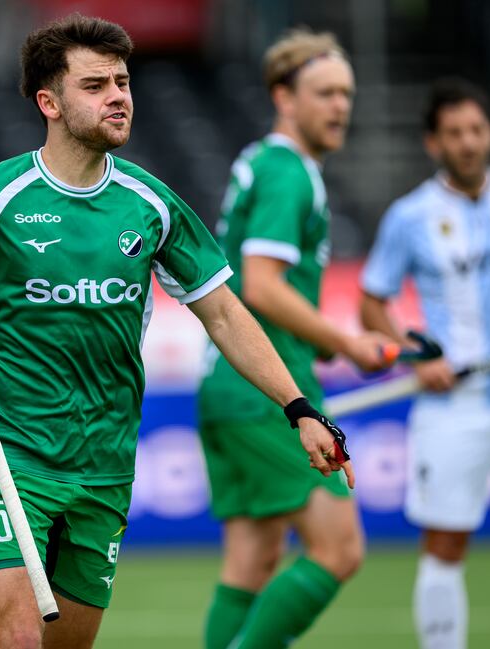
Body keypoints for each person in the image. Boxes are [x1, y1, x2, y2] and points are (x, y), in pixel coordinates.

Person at [0, 14, 353, 649]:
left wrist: (298, 407)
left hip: (105, 465)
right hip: (10, 455)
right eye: (96, 85)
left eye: (123, 82)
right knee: (18, 638)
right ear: (49, 102)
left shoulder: (151, 204)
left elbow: (226, 313)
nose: (118, 97)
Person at [197, 29, 391, 649]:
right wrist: (350, 341)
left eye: (347, 94)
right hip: (267, 391)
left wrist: (324, 341)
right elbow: (261, 285)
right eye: (325, 93)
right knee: (339, 550)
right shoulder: (289, 171)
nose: (340, 106)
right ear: (284, 97)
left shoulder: (260, 161)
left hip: (227, 383)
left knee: (251, 565)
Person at [359, 77, 490, 649]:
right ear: (433, 143)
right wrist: (416, 358)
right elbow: (372, 303)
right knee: (447, 545)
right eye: (454, 133)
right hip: (453, 406)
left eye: (476, 130)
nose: (468, 143)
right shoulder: (410, 216)